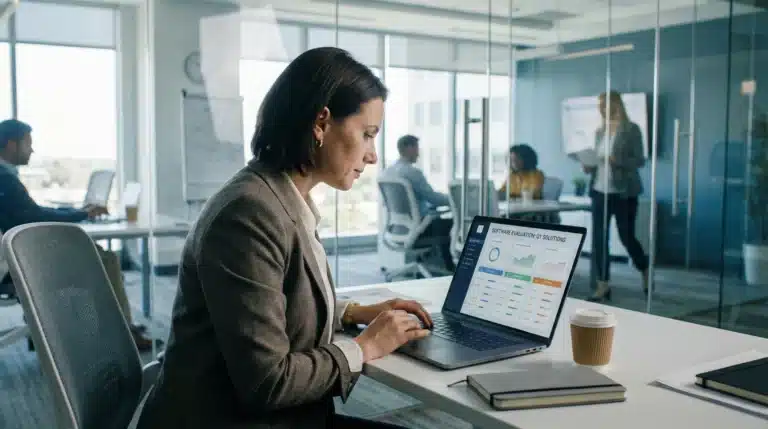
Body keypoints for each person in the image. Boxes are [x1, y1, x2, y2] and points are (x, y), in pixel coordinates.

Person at [136, 47, 432, 429]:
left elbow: (271, 299)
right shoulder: (248, 214)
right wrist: (365, 347)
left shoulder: (281, 197)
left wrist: (352, 313)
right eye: (367, 134)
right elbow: (267, 382)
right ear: (321, 124)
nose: (372, 155)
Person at [0, 119, 156, 351]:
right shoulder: (4, 178)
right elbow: (33, 216)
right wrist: (79, 215)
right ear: (11, 144)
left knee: (98, 253)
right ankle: (124, 333)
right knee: (104, 258)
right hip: (17, 263)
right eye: (27, 144)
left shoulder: (6, 175)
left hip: (15, 255)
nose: (32, 150)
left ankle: (122, 327)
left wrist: (78, 213)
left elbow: (29, 212)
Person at [582, 91, 649, 301]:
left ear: (616, 104)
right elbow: (597, 161)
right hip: (600, 191)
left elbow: (640, 161)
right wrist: (590, 167)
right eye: (599, 105)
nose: (602, 108)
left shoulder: (631, 129)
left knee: (626, 236)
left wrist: (616, 160)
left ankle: (645, 268)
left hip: (623, 192)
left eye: (605, 104)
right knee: (600, 239)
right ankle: (603, 285)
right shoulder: (600, 131)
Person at [381, 134, 454, 271]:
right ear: (408, 148)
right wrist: (456, 200)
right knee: (453, 224)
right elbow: (434, 198)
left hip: (397, 229)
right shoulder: (412, 172)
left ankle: (432, 266)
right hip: (420, 229)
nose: (418, 154)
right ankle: (451, 270)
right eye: (416, 149)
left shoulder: (387, 173)